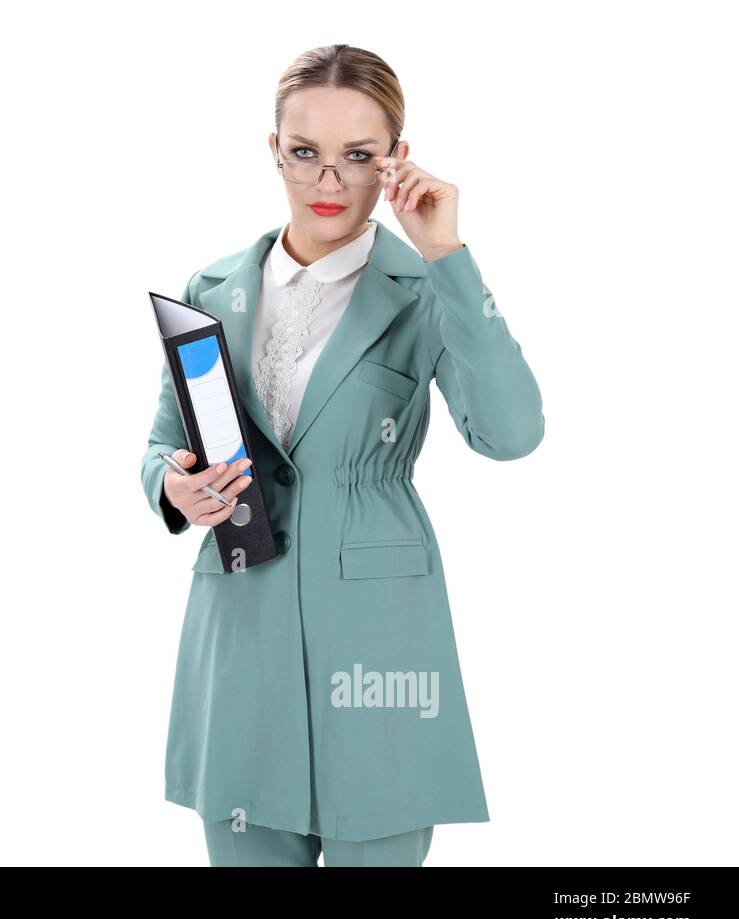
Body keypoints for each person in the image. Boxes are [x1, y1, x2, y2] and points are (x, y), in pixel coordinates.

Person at [140, 44, 544, 866]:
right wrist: (173, 489)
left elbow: (511, 433)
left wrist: (449, 257)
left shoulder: (429, 288)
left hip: (379, 640)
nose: (329, 183)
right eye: (306, 154)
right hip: (240, 622)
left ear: (397, 157)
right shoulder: (214, 287)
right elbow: (161, 446)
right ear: (273, 149)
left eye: (358, 157)